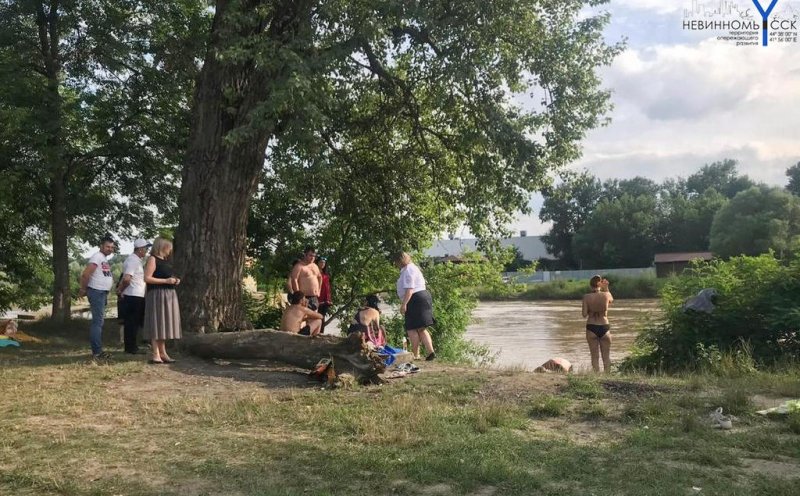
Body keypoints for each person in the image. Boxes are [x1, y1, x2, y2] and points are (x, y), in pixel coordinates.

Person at [143, 237, 181, 364]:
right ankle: (155, 353)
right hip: (157, 295)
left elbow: (166, 275)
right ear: (163, 247)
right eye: (169, 248)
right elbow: (147, 278)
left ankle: (163, 352)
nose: (170, 251)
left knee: (163, 324)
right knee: (156, 323)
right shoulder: (152, 259)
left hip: (168, 294)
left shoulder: (165, 261)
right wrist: (166, 281)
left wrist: (174, 280)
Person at [79, 235, 116, 359]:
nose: (110, 249)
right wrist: (83, 289)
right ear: (101, 246)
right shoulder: (97, 257)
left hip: (101, 292)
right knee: (97, 322)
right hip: (96, 292)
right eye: (107, 246)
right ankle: (97, 352)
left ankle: (98, 350)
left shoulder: (103, 259)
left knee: (99, 321)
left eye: (112, 247)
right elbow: (86, 274)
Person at [394, 252, 436, 361]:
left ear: (400, 261)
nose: (395, 264)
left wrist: (404, 304)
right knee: (421, 328)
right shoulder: (412, 268)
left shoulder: (408, 270)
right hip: (422, 296)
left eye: (396, 262)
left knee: (411, 328)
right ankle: (431, 352)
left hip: (415, 298)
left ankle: (415, 354)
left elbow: (410, 289)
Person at [117, 239, 151, 354]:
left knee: (134, 322)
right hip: (133, 295)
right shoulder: (133, 260)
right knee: (131, 322)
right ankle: (131, 348)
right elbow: (127, 278)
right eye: (146, 248)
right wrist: (120, 289)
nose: (147, 251)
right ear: (140, 249)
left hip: (136, 295)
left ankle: (132, 346)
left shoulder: (136, 260)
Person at [582, 275, 614, 373]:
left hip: (591, 326)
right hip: (604, 326)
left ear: (591, 285)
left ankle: (596, 378)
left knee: (594, 356)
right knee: (606, 356)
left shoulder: (586, 297)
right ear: (599, 284)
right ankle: (608, 377)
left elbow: (584, 314)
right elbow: (611, 300)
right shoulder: (606, 295)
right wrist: (606, 288)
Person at [316, 256, 332, 333]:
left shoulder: (326, 274)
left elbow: (327, 288)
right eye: (321, 262)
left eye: (324, 262)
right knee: (316, 316)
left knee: (322, 317)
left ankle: (321, 333)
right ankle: (315, 332)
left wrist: (328, 299)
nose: (322, 264)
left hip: (325, 300)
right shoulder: (315, 272)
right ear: (317, 263)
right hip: (317, 298)